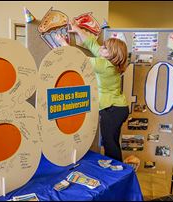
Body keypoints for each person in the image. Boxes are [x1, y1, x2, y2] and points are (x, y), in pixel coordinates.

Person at [55, 20, 129, 162]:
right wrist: (77, 29)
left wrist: (63, 43)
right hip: (117, 108)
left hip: (112, 110)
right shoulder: (108, 61)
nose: (101, 47)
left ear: (112, 53)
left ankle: (115, 170)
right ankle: (115, 167)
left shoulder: (104, 65)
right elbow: (91, 44)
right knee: (111, 141)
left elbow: (80, 59)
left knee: (110, 143)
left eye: (105, 47)